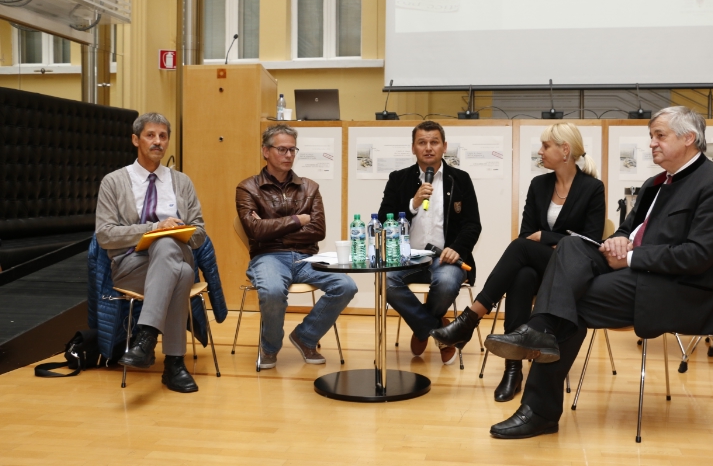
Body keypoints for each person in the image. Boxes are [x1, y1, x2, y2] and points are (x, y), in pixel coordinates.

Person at [481, 106, 713, 439]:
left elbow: (699, 256)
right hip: (637, 276)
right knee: (571, 246)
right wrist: (619, 240)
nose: (652, 143)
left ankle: (539, 403)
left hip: (677, 289)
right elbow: (627, 229)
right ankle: (539, 334)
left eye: (659, 135)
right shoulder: (654, 183)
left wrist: (631, 257)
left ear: (688, 138)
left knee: (570, 301)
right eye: (651, 136)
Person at [431, 123, 604, 401]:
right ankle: (513, 370)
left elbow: (590, 242)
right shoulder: (539, 185)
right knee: (521, 275)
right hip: (541, 265)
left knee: (520, 250)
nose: (540, 151)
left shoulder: (592, 188)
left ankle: (470, 320)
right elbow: (526, 235)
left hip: (572, 270)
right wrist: (552, 241)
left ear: (565, 150)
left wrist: (547, 236)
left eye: (545, 146)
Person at [96, 112, 206, 393]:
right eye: (150, 135)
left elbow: (200, 233)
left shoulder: (182, 182)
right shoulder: (114, 182)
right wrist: (155, 228)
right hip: (130, 264)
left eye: (163, 136)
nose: (158, 141)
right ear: (136, 140)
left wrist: (178, 231)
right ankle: (174, 364)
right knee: (181, 274)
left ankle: (146, 337)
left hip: (177, 252)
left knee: (167, 246)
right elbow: (105, 235)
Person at [236, 124, 357, 369]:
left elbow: (318, 231)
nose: (289, 155)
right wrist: (297, 220)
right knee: (272, 291)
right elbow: (254, 231)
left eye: (292, 149)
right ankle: (270, 347)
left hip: (306, 258)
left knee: (346, 286)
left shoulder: (310, 187)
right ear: (266, 151)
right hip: (268, 257)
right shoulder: (247, 188)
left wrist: (272, 231)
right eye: (282, 149)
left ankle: (305, 336)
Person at [378, 121, 482, 365]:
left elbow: (472, 224)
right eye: (422, 142)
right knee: (385, 280)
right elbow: (383, 220)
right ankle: (436, 330)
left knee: (446, 283)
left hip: (445, 258)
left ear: (444, 146)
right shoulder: (398, 179)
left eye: (434, 142)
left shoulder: (460, 179)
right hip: (407, 258)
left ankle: (421, 327)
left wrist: (456, 249)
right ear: (413, 148)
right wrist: (412, 204)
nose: (428, 148)